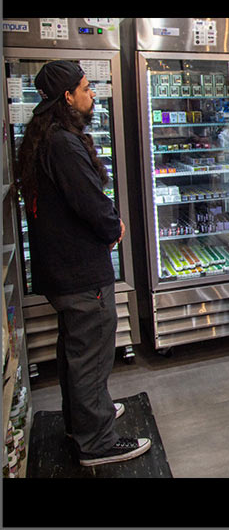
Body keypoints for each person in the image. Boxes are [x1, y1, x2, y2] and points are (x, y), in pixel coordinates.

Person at [16, 61, 151, 466]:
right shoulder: (63, 143)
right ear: (68, 97)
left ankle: (83, 419)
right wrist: (114, 226)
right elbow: (91, 201)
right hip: (79, 270)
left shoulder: (45, 137)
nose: (93, 94)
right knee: (91, 353)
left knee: (75, 349)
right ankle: (97, 442)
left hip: (60, 269)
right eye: (87, 88)